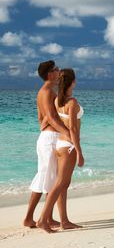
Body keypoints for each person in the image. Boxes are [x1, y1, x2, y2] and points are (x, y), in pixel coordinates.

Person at [23, 60, 71, 229]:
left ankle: (44, 218)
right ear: (50, 74)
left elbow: (43, 118)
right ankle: (32, 218)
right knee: (46, 177)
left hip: (50, 137)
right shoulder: (46, 91)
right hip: (49, 138)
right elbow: (50, 117)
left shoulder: (50, 91)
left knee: (49, 178)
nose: (59, 71)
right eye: (56, 69)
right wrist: (67, 132)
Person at [36, 68, 85, 233]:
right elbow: (73, 129)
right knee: (60, 184)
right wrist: (79, 151)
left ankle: (64, 221)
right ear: (73, 82)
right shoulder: (72, 102)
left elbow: (48, 119)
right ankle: (43, 219)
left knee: (63, 184)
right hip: (68, 146)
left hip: (58, 145)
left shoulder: (58, 101)